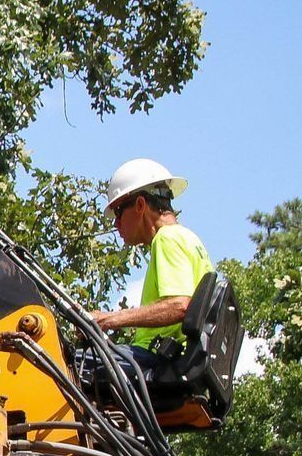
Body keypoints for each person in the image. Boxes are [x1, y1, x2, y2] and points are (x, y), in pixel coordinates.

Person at [89, 158, 211, 371]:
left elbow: (180, 305)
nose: (116, 223)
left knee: (63, 363)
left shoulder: (168, 238)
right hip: (171, 359)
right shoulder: (191, 240)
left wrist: (107, 319)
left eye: (118, 212)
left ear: (140, 205)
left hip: (155, 360)